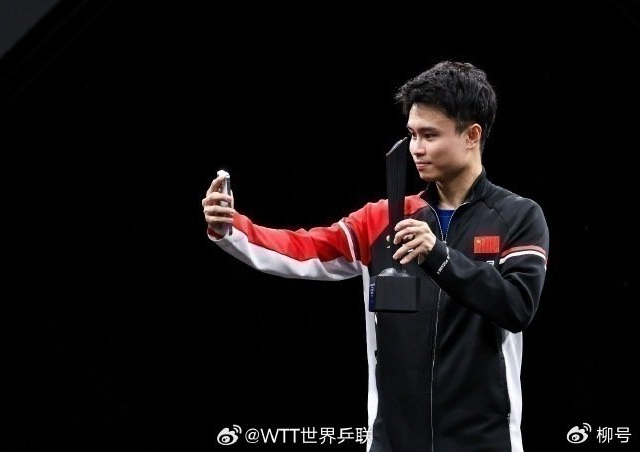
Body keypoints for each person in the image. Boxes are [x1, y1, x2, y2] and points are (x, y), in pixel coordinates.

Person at [202, 61, 549, 452]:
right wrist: (232, 227)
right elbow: (305, 249)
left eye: (430, 135)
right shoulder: (381, 219)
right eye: (412, 135)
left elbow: (517, 307)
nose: (416, 148)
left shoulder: (519, 216)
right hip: (392, 441)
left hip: (487, 441)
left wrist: (439, 256)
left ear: (472, 135)